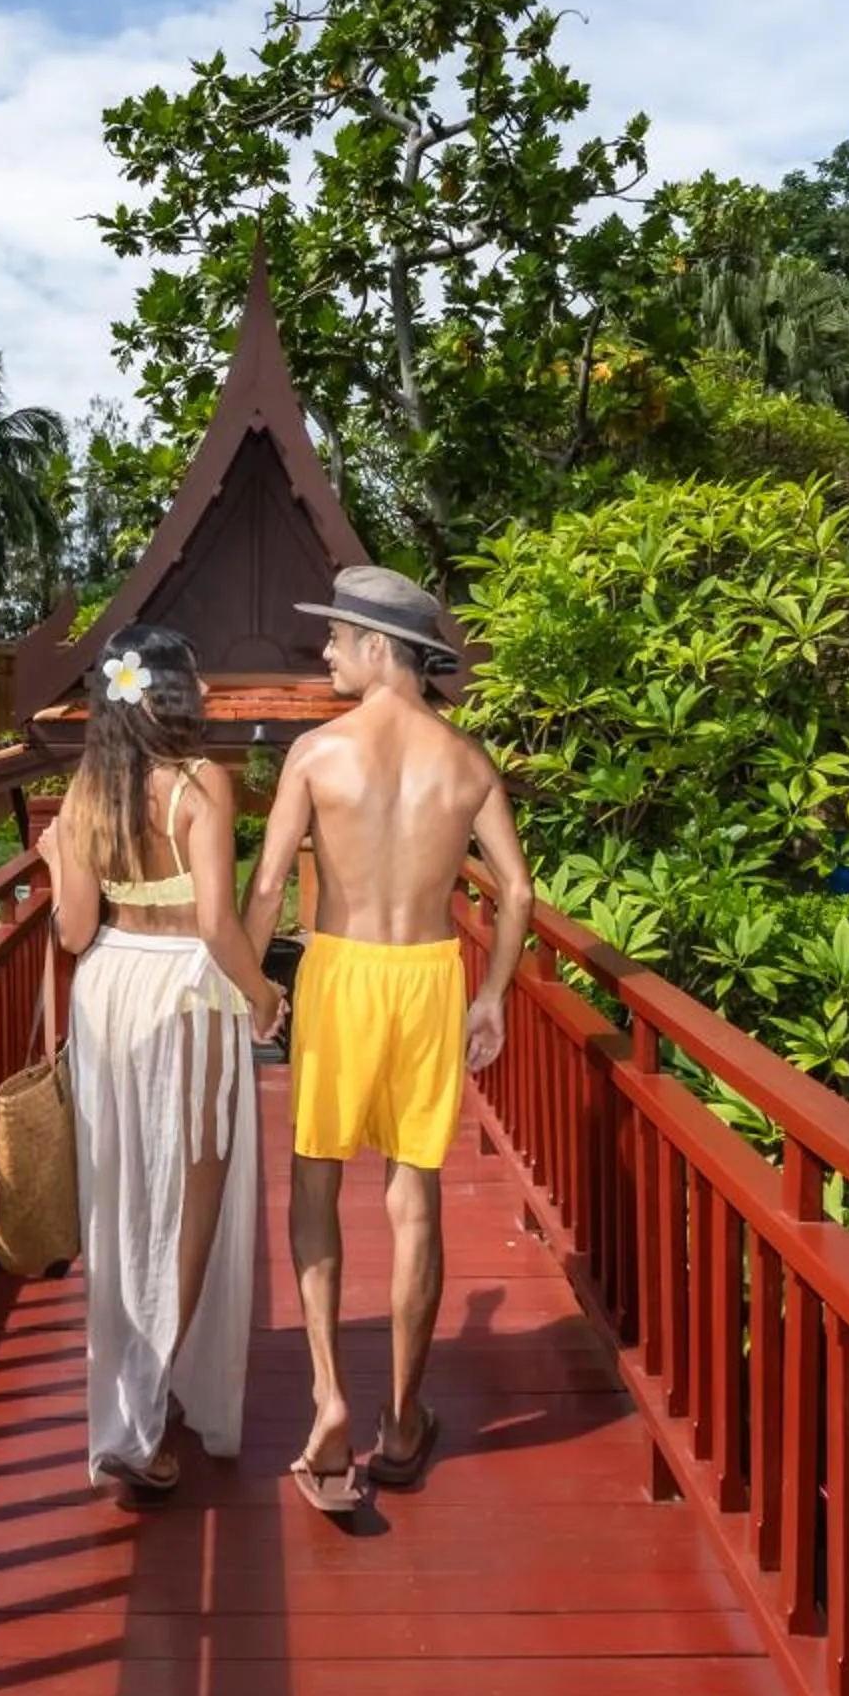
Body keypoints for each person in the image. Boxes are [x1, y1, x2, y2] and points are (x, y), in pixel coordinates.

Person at [241, 565, 534, 1512]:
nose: (325, 652)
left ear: (379, 648)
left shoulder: (319, 753)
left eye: (335, 637)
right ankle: (403, 1419)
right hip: (428, 978)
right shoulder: (466, 760)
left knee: (316, 1181)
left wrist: (251, 989)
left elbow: (266, 886)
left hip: (340, 972)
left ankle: (330, 1397)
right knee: (415, 1197)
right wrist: (490, 995)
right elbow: (520, 893)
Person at [41, 624, 287, 1497]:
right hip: (187, 989)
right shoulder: (199, 785)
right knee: (190, 1200)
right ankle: (140, 1423)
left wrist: (51, 856)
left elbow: (73, 932)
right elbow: (220, 926)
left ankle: (138, 1395)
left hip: (108, 988)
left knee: (122, 1198)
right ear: (175, 696)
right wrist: (263, 998)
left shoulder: (83, 791)